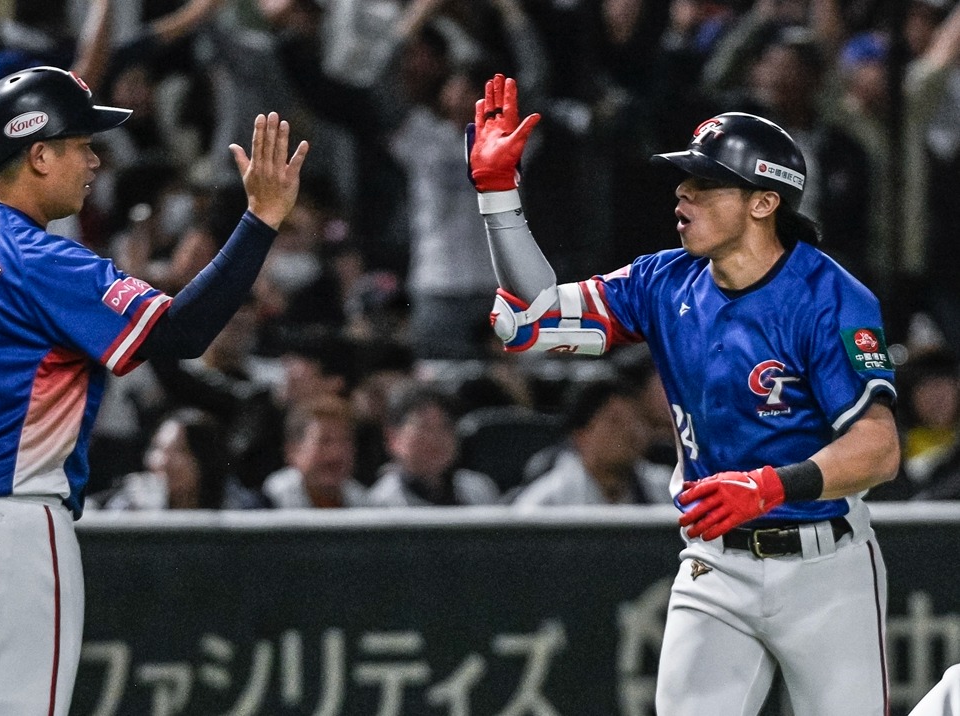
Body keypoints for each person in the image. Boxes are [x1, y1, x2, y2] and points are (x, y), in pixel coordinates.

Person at [0, 65, 307, 715]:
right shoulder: (38, 258)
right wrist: (260, 222)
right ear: (38, 153)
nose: (95, 159)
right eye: (80, 144)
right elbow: (182, 333)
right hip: (0, 524)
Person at [467, 74, 899, 714]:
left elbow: (878, 449)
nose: (682, 193)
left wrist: (765, 486)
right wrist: (499, 197)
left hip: (825, 566)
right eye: (684, 180)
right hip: (715, 566)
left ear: (762, 202)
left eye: (705, 183)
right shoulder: (664, 281)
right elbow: (531, 325)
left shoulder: (829, 297)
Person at [511, 376, 672, 506]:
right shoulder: (547, 501)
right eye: (615, 421)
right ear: (581, 435)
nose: (632, 432)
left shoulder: (665, 489)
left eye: (638, 421)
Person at [94, 408, 265, 510]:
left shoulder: (237, 504)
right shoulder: (131, 500)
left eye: (179, 451)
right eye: (158, 449)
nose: (163, 461)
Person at [367, 383, 500, 506]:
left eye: (445, 427)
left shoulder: (479, 489)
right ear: (393, 437)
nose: (435, 438)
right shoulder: (380, 503)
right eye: (424, 427)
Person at [261, 393, 368, 508]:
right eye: (324, 441)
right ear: (293, 451)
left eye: (345, 441)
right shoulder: (268, 502)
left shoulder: (364, 503)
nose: (336, 452)